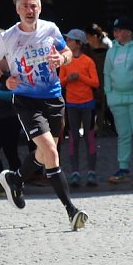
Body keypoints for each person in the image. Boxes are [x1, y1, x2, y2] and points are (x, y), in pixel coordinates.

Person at [0, 0, 89, 230]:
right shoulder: (7, 37)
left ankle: (15, 179)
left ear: (40, 8)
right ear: (17, 9)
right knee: (51, 153)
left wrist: (62, 60)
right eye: (25, 6)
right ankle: (71, 211)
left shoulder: (50, 29)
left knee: (44, 155)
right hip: (26, 101)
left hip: (53, 99)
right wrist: (4, 80)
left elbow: (67, 52)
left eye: (33, 6)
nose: (29, 10)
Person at [104, 16, 133, 185]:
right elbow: (107, 73)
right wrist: (109, 94)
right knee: (123, 134)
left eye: (119, 29)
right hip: (117, 98)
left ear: (128, 32)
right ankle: (123, 167)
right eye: (114, 30)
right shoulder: (111, 51)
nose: (115, 33)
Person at [59, 28, 100, 187]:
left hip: (88, 104)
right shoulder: (65, 61)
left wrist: (80, 77)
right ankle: (74, 172)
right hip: (71, 105)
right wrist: (68, 79)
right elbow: (60, 82)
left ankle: (92, 172)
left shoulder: (88, 61)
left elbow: (95, 83)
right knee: (73, 139)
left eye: (70, 40)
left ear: (79, 43)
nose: (67, 42)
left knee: (90, 139)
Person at [84, 23, 115, 136]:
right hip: (95, 77)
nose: (87, 40)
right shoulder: (87, 48)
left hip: (107, 77)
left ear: (95, 36)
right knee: (98, 102)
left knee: (107, 102)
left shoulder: (108, 45)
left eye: (88, 37)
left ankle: (107, 127)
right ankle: (98, 127)